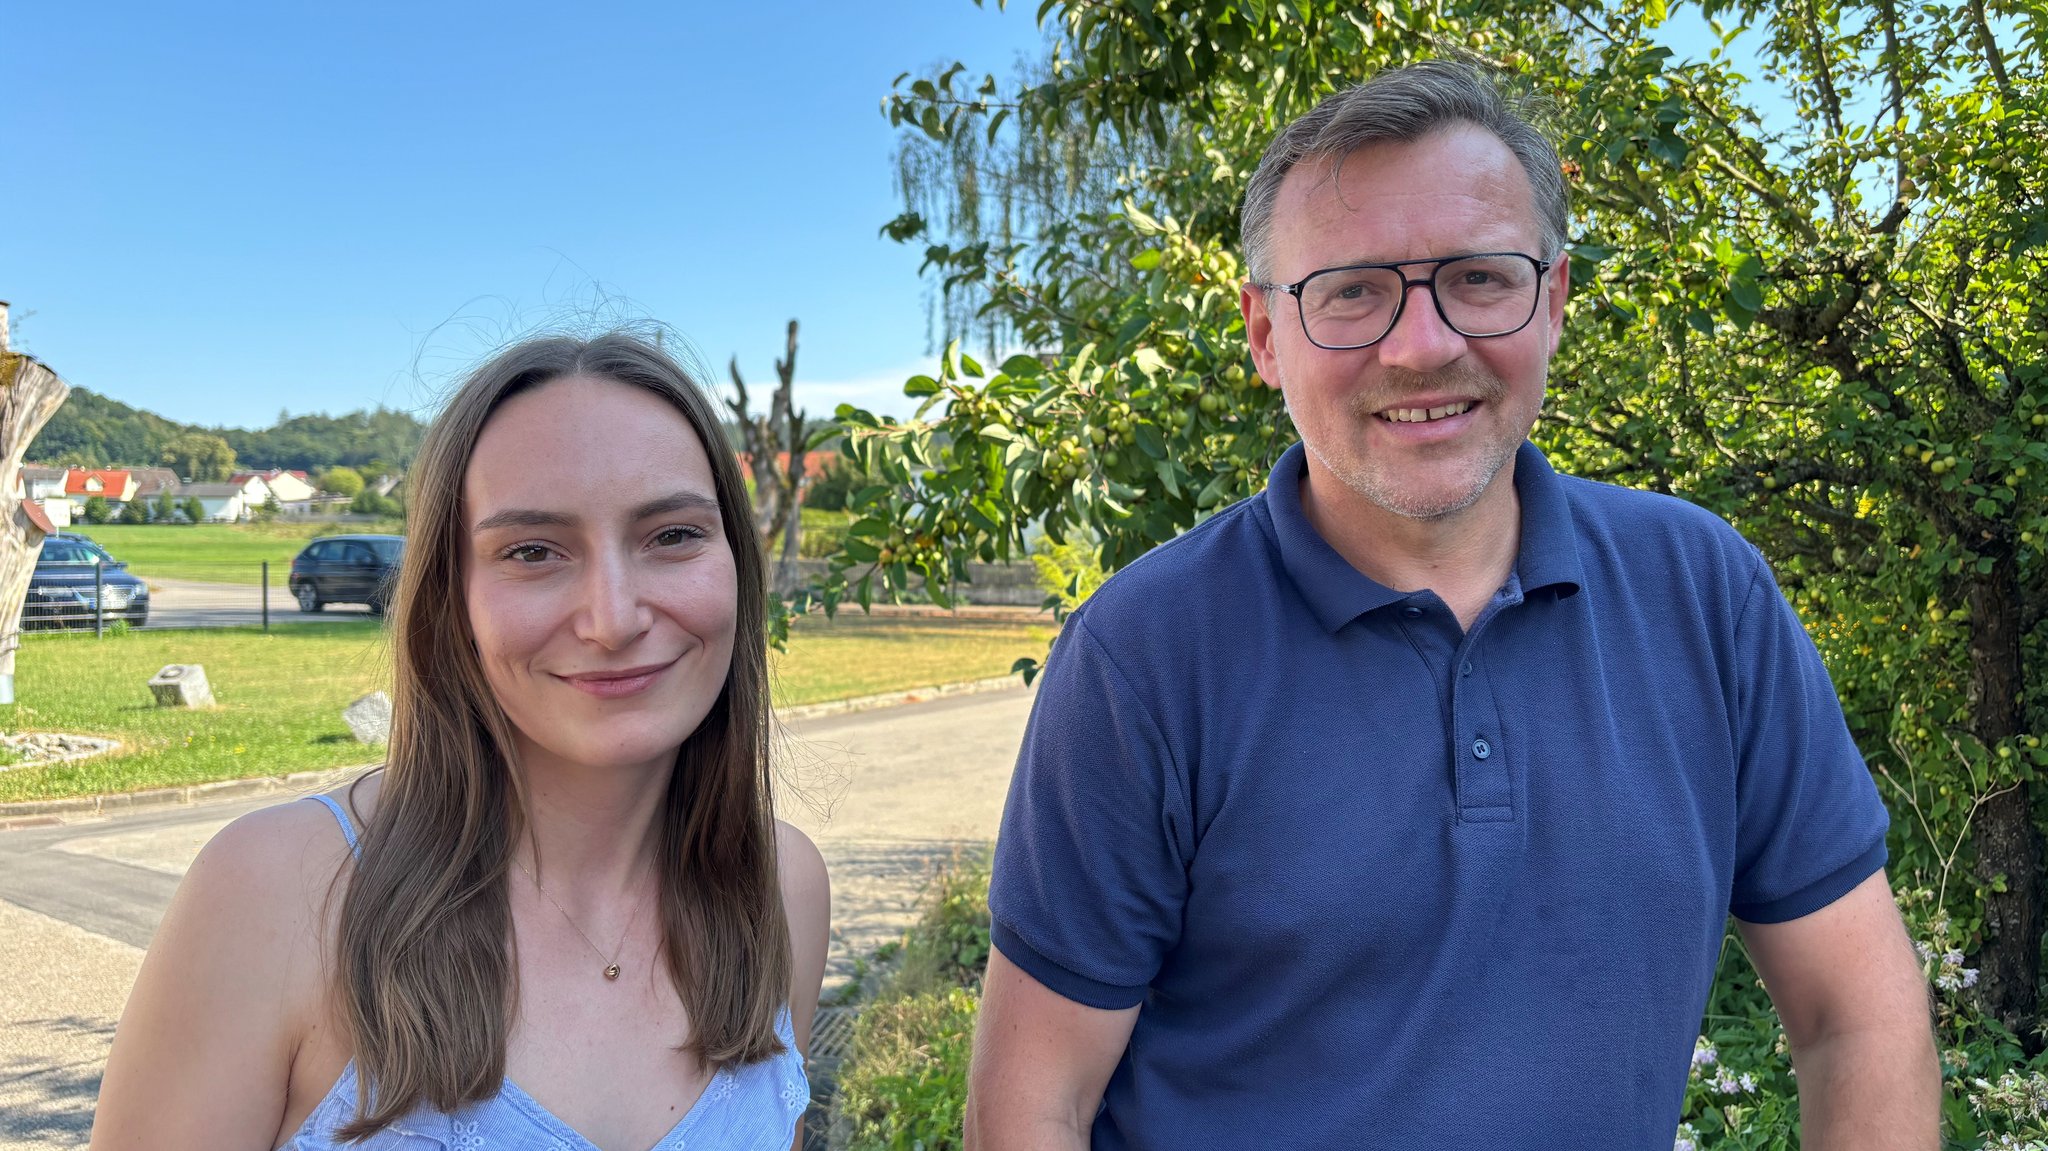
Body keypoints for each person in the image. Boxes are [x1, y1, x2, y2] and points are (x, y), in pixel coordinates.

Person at [965, 61, 1938, 1150]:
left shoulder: (1704, 594)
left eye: (1478, 277)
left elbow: (1852, 1015)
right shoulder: (1143, 655)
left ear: (1554, 299)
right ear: (1262, 334)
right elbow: (1032, 1107)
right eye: (1350, 290)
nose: (1421, 343)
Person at [91, 333, 831, 1151]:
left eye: (673, 535)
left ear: (736, 564)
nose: (613, 617)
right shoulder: (273, 896)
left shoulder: (782, 888)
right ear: (452, 598)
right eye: (532, 551)